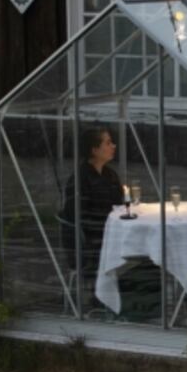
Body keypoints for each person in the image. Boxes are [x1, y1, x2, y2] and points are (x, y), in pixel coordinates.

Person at [60, 128, 122, 309]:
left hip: (108, 236)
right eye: (108, 143)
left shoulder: (110, 175)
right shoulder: (80, 179)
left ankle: (119, 301)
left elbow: (117, 206)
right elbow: (80, 218)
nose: (113, 146)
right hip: (87, 244)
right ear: (94, 150)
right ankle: (104, 302)